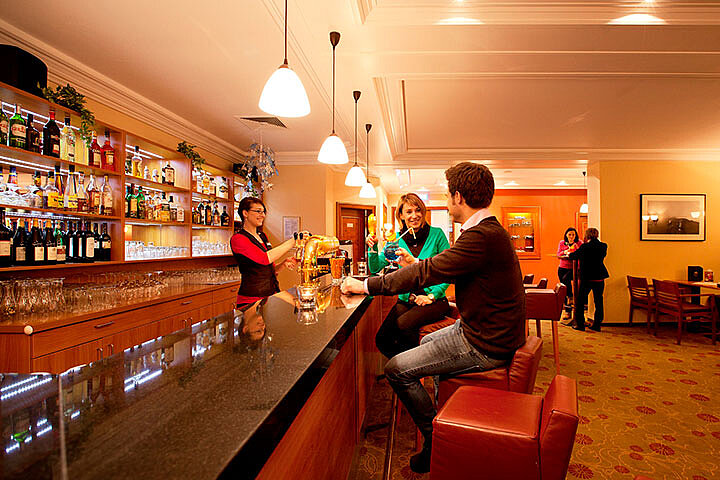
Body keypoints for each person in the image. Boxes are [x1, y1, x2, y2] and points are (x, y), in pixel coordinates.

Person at [342, 162, 526, 473]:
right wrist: (414, 264)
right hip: (479, 331)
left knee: (396, 368)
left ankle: (436, 437)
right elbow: (438, 269)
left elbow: (428, 272)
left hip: (484, 343)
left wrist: (365, 285)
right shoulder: (487, 233)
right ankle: (443, 413)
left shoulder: (481, 237)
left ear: (457, 197)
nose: (445, 197)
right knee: (426, 339)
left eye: (447, 193)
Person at [367, 193, 451, 359]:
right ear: (401, 215)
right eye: (409, 212)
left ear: (423, 212)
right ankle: (407, 370)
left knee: (404, 326)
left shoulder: (437, 235)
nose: (414, 215)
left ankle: (410, 371)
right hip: (407, 300)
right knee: (382, 339)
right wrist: (373, 248)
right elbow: (376, 266)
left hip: (434, 300)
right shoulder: (397, 240)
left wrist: (432, 296)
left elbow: (448, 271)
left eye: (418, 210)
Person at [231, 197, 299, 308]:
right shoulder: (238, 239)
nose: (262, 215)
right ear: (245, 213)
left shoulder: (262, 236)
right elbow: (264, 258)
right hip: (251, 300)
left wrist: (283, 264)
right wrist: (294, 241)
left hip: (270, 295)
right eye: (258, 211)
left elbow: (266, 268)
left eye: (264, 212)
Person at [568, 227, 609, 332]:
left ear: (587, 236)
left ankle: (580, 324)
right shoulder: (603, 246)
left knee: (580, 300)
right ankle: (597, 324)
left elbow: (573, 256)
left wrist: (570, 253)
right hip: (599, 277)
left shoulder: (585, 247)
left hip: (587, 277)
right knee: (599, 301)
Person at [557, 227, 582, 314]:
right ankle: (568, 312)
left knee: (566, 280)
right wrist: (566, 251)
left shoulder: (579, 243)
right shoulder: (562, 243)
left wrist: (575, 247)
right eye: (569, 234)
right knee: (564, 288)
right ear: (566, 235)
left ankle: (571, 297)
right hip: (562, 267)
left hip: (574, 268)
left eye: (573, 235)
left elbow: (581, 253)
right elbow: (559, 254)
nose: (571, 236)